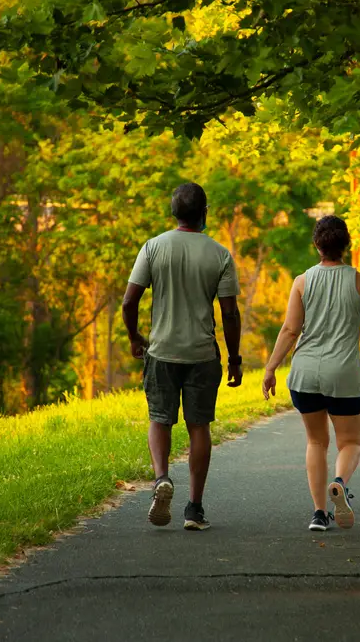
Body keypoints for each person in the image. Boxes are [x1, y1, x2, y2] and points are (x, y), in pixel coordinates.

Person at [122, 182, 243, 532]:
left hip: (161, 351)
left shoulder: (153, 248)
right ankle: (194, 508)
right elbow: (230, 313)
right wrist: (234, 358)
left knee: (160, 419)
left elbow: (130, 301)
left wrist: (135, 337)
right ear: (204, 213)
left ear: (174, 213)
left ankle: (162, 478)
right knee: (198, 426)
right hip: (202, 354)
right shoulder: (220, 254)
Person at [262, 215, 360, 531]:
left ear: (317, 245)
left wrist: (271, 367)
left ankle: (318, 514)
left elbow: (290, 330)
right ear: (347, 245)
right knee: (351, 442)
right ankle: (339, 483)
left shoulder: (302, 281)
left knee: (316, 442)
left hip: (305, 375)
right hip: (342, 375)